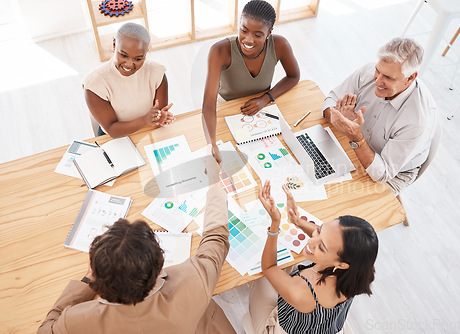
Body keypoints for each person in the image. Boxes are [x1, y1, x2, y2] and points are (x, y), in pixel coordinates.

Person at [38, 151, 235, 334]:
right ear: (159, 264)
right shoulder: (194, 279)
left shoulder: (78, 319)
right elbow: (216, 239)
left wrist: (87, 281)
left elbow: (46, 329)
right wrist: (213, 185)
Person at [247, 180, 379, 333]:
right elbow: (331, 239)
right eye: (319, 231)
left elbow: (268, 267)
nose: (311, 240)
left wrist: (275, 224)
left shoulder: (303, 290)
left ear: (342, 264)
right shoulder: (359, 270)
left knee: (258, 276)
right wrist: (297, 221)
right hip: (325, 327)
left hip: (281, 327)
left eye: (321, 247)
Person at [321, 37, 438, 195]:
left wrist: (356, 137)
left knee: (342, 204)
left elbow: (382, 173)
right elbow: (331, 99)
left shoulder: (417, 121)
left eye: (388, 78)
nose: (377, 81)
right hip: (357, 142)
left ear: (410, 78)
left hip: (393, 173)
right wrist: (336, 117)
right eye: (378, 70)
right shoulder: (369, 72)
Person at [202, 0, 300, 153]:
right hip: (226, 109)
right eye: (244, 30)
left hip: (260, 108)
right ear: (239, 24)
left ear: (269, 33)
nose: (248, 40)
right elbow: (208, 104)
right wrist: (211, 144)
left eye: (258, 35)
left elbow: (293, 76)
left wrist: (266, 98)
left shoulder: (280, 45)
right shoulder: (219, 51)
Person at [83, 22, 174, 138]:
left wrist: (160, 118)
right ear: (114, 45)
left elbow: (158, 115)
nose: (129, 64)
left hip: (147, 133)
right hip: (116, 139)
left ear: (146, 52)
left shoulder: (157, 73)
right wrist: (145, 120)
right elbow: (112, 129)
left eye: (138, 58)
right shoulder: (95, 84)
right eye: (123, 55)